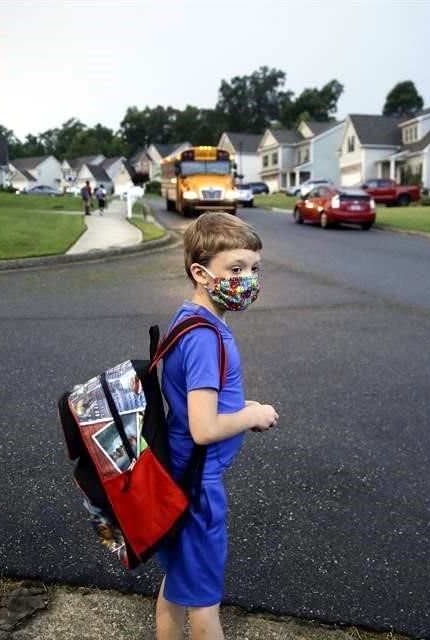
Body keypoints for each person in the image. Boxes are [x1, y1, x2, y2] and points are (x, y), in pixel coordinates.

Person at [155, 212, 279, 640]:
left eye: (254, 269)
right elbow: (204, 427)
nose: (248, 279)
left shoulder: (188, 318)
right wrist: (252, 414)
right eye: (236, 269)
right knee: (204, 606)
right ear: (200, 272)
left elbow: (197, 399)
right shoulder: (206, 337)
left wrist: (239, 404)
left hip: (177, 472)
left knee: (176, 584)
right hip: (197, 485)